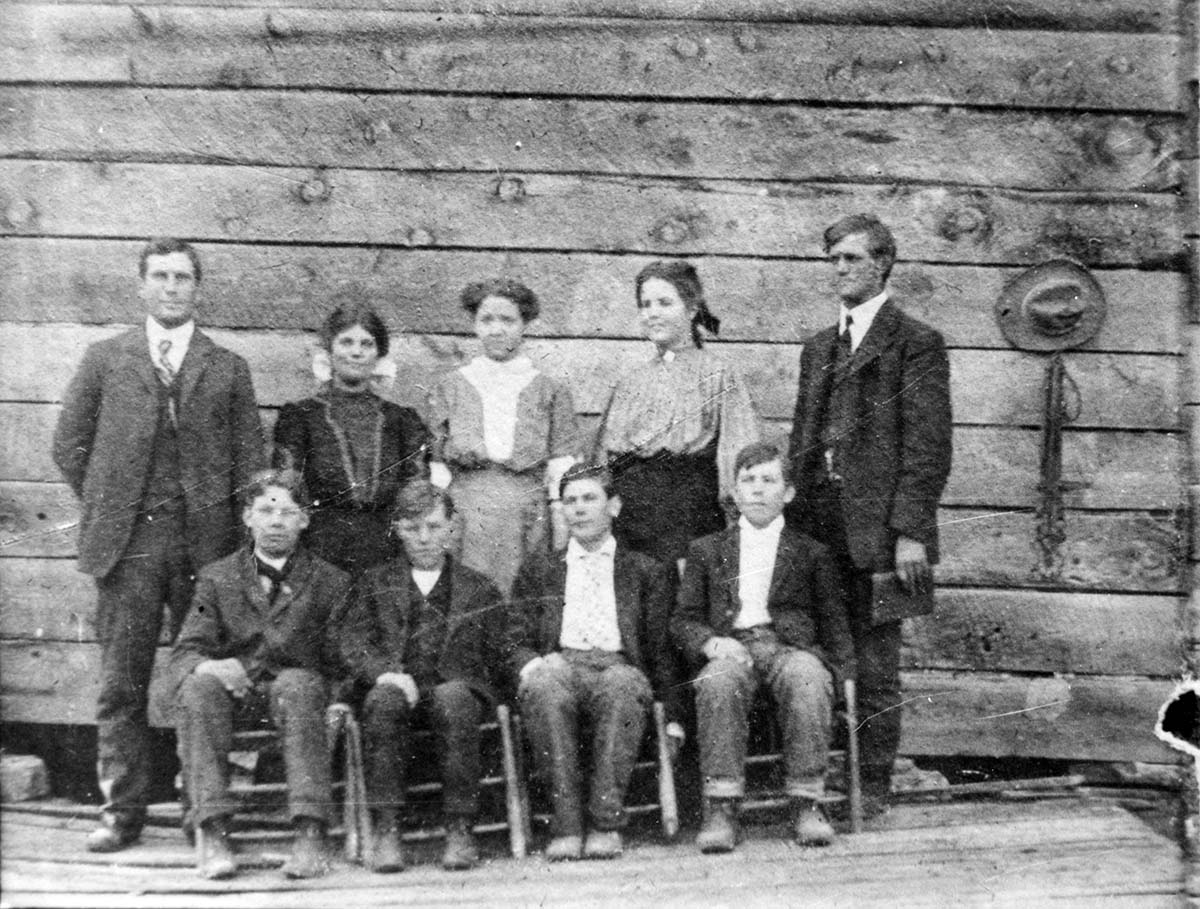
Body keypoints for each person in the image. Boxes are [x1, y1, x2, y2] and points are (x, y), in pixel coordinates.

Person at [52, 238, 265, 853]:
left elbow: (251, 459)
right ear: (142, 285)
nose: (172, 288)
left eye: (183, 278)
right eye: (161, 277)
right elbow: (70, 446)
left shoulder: (226, 367)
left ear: (197, 288)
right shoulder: (105, 359)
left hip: (206, 551)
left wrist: (224, 533)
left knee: (204, 677)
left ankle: (209, 812)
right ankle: (122, 812)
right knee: (122, 681)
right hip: (129, 547)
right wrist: (112, 502)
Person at [785, 213, 952, 813]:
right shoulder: (818, 347)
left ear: (883, 264)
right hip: (818, 527)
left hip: (880, 534)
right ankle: (820, 779)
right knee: (821, 654)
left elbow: (929, 448)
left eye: (852, 259)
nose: (840, 269)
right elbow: (804, 438)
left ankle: (872, 787)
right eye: (834, 259)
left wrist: (910, 534)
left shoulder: (915, 342)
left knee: (876, 665)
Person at [165, 469, 351, 881]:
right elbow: (186, 650)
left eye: (288, 512)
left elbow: (344, 662)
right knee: (198, 687)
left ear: (305, 519)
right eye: (266, 510)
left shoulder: (332, 582)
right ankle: (213, 832)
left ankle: (309, 834)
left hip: (298, 700)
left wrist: (338, 701)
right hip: (236, 697)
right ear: (248, 517)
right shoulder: (217, 577)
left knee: (298, 684)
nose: (276, 521)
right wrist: (211, 665)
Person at [672, 441, 855, 853]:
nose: (756, 489)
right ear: (734, 492)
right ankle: (721, 806)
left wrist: (843, 678)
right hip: (731, 646)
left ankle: (807, 802)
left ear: (788, 492)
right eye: (747, 480)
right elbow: (683, 620)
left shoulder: (811, 552)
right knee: (717, 681)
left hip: (787, 646)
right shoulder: (707, 550)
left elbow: (834, 622)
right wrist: (711, 642)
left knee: (808, 677)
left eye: (768, 480)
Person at [507, 463, 679, 861]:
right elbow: (514, 638)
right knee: (544, 685)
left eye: (590, 499)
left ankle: (605, 823)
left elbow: (661, 650)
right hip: (560, 664)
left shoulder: (645, 570)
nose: (579, 510)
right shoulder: (540, 569)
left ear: (614, 506)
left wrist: (672, 714)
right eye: (569, 501)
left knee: (623, 686)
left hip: (618, 666)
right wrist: (532, 664)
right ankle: (566, 826)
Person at [340, 481, 505, 873]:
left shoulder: (479, 588)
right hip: (399, 689)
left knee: (454, 698)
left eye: (433, 526)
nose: (424, 537)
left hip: (456, 692)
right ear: (396, 529)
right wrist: (385, 674)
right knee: (382, 700)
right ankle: (387, 829)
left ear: (452, 527)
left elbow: (502, 648)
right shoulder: (374, 583)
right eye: (412, 528)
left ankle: (460, 827)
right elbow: (353, 642)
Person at [595, 260, 761, 571]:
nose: (652, 313)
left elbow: (736, 456)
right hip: (629, 521)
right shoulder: (630, 381)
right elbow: (604, 460)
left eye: (664, 302)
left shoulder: (718, 374)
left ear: (691, 309)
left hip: (689, 518)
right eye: (645, 304)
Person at [428, 279, 578, 595]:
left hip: (526, 512)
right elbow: (438, 463)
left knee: (519, 593)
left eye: (508, 320)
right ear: (475, 325)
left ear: (525, 324)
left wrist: (560, 516)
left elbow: (561, 463)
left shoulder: (549, 390)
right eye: (487, 320)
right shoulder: (451, 387)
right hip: (466, 509)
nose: (497, 330)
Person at [273, 295, 431, 576]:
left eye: (366, 344)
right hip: (320, 548)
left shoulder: (402, 420)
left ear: (378, 354)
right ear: (330, 351)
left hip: (386, 549)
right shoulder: (301, 417)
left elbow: (416, 491)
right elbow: (288, 488)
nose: (356, 352)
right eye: (346, 342)